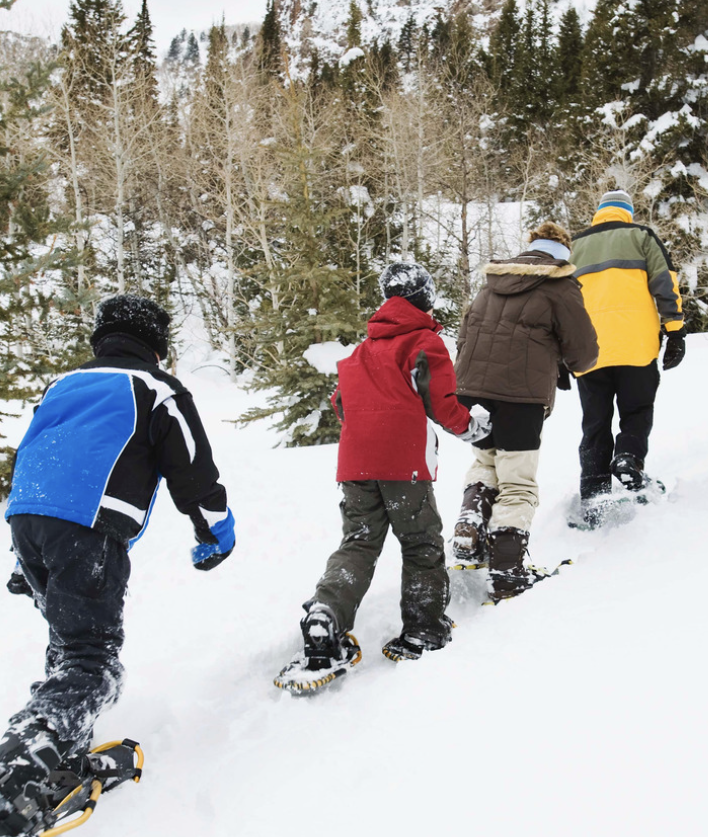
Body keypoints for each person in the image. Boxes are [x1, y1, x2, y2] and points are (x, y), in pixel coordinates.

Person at [0, 295, 236, 836]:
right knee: (93, 663)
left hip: (29, 520)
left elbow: (35, 453)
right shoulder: (157, 389)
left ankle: (57, 760)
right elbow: (194, 473)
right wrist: (215, 533)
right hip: (86, 526)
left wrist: (25, 556)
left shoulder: (64, 385)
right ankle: (18, 764)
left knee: (69, 645)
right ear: (157, 345)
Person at [276, 262, 489, 692]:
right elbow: (443, 403)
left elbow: (340, 403)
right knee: (421, 542)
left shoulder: (360, 350)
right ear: (424, 298)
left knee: (358, 543)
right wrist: (475, 428)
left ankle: (326, 614)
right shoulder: (423, 340)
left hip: (355, 464)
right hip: (403, 463)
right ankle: (424, 628)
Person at [451, 222, 599, 601]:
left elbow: (465, 333)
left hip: (471, 391)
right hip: (520, 397)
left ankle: (470, 526)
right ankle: (507, 571)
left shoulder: (493, 281)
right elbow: (583, 352)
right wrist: (566, 363)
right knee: (517, 480)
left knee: (486, 462)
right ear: (564, 253)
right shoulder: (560, 285)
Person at [569, 190, 686, 528]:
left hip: (589, 354)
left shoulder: (574, 248)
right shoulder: (641, 237)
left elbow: (559, 302)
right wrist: (675, 331)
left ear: (600, 213)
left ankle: (593, 500)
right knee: (636, 411)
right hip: (637, 346)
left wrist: (561, 352)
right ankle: (628, 459)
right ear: (627, 213)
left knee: (595, 424)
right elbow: (666, 283)